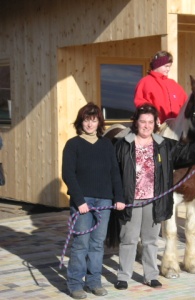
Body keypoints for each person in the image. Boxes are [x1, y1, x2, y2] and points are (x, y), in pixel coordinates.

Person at [113, 104, 195, 290]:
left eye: (150, 122)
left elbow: (186, 152)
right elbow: (114, 172)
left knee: (150, 239)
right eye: (142, 122)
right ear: (136, 123)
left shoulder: (163, 144)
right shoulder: (124, 144)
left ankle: (151, 275)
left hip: (154, 200)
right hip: (132, 200)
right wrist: (118, 197)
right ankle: (123, 276)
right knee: (129, 238)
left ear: (155, 123)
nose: (146, 126)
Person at [62, 102, 126, 299]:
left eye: (93, 120)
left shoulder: (106, 145)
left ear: (99, 122)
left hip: (104, 201)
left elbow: (114, 172)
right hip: (83, 201)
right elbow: (68, 174)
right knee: (81, 242)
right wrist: (79, 201)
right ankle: (75, 284)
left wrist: (119, 197)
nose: (90, 124)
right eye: (86, 120)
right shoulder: (73, 144)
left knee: (98, 243)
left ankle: (94, 282)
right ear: (81, 122)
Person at [134, 50, 187, 124]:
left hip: (175, 128)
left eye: (169, 66)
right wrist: (152, 116)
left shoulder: (173, 84)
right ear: (157, 65)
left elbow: (185, 103)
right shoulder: (145, 82)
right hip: (155, 127)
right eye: (166, 66)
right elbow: (141, 103)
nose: (168, 69)